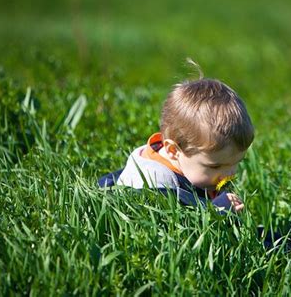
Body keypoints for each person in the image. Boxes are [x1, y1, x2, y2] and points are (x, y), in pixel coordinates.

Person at [99, 78, 254, 213]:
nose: (228, 175)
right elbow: (179, 233)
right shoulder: (153, 189)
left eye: (236, 163)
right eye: (215, 166)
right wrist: (215, 213)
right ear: (173, 150)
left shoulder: (190, 167)